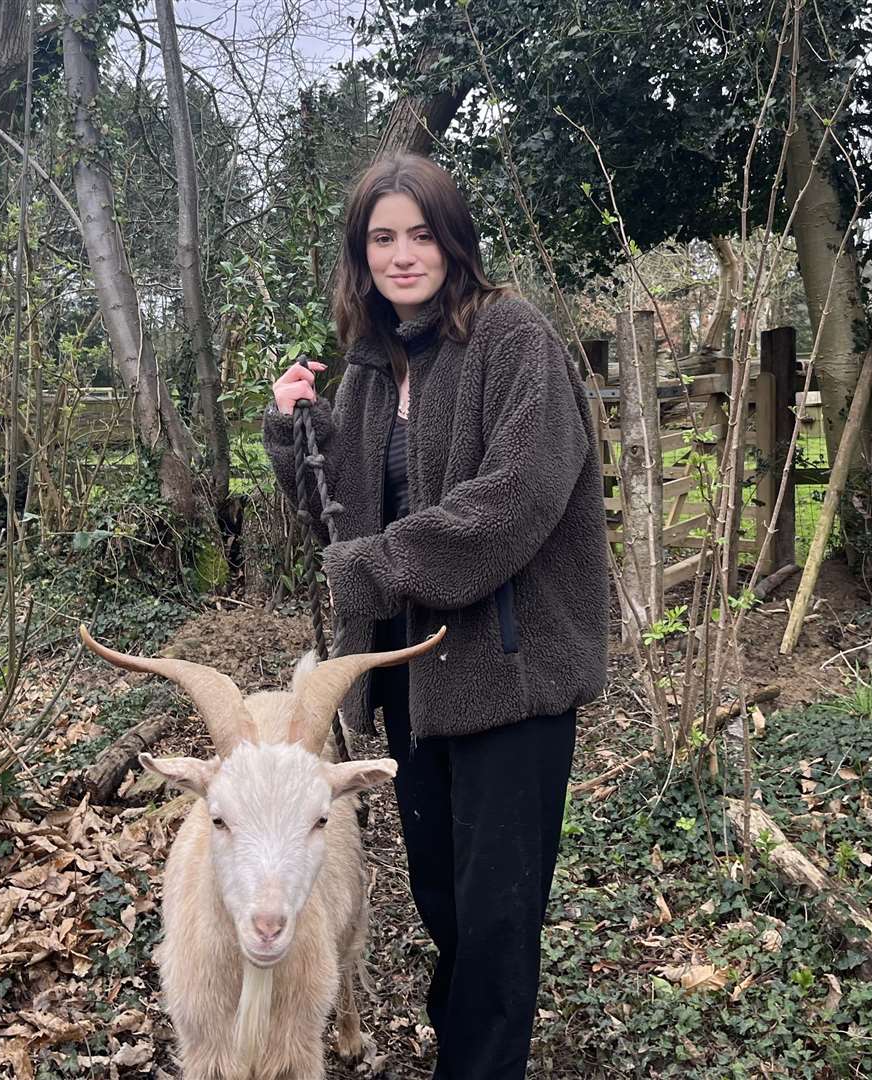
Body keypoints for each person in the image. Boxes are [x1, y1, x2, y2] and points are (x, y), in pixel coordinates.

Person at [262, 153, 608, 1079]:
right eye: (383, 237)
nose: (403, 254)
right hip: (411, 679)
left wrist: (374, 568)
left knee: (497, 926)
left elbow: (517, 498)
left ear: (454, 241)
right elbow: (340, 522)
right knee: (447, 910)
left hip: (511, 677)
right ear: (359, 253)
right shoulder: (371, 373)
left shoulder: (512, 338)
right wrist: (295, 430)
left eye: (422, 233)